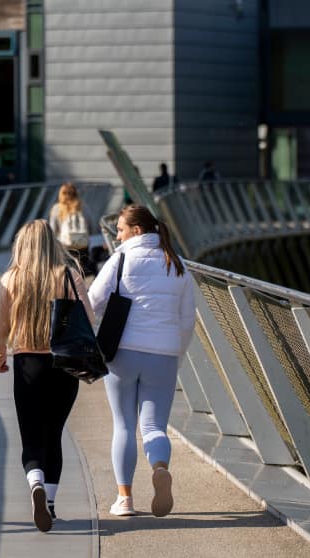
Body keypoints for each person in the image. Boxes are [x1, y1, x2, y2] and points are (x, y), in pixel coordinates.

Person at [88, 205, 197, 518]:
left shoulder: (121, 258)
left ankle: (125, 499)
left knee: (123, 425)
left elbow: (93, 301)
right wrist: (177, 353)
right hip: (163, 354)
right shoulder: (177, 264)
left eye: (120, 229)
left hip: (121, 352)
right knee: (154, 427)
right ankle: (160, 468)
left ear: (136, 231)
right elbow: (187, 319)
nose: (117, 235)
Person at [0, 220, 94, 532]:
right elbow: (89, 319)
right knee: (54, 434)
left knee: (31, 433)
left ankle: (34, 482)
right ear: (53, 244)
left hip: (27, 364)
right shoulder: (69, 275)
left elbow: (0, 327)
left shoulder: (12, 278)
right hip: (63, 364)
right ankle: (49, 502)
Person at [49, 182, 92, 275]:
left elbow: (52, 230)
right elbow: (90, 225)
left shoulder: (56, 209)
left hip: (65, 247)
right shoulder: (82, 207)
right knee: (82, 273)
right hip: (82, 245)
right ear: (76, 194)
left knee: (67, 274)